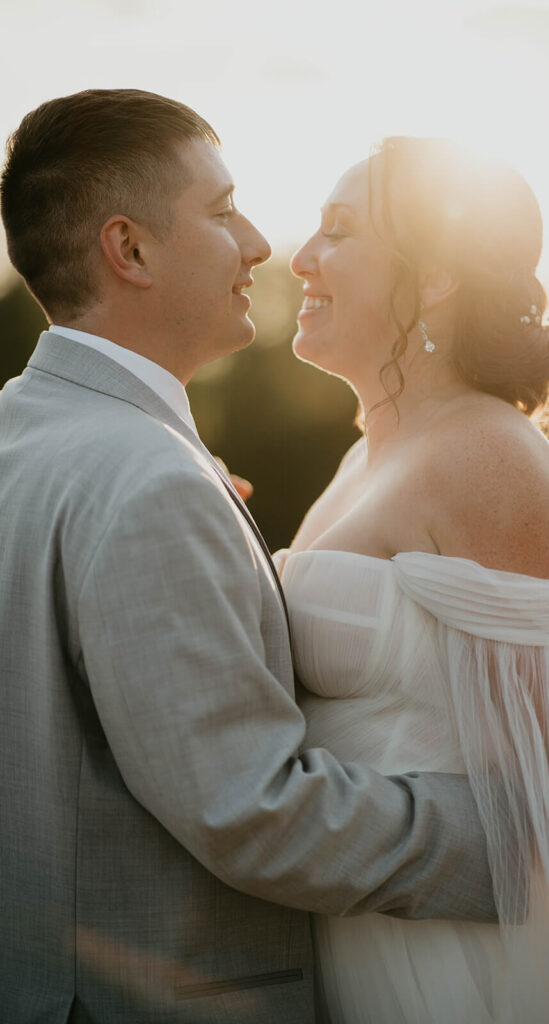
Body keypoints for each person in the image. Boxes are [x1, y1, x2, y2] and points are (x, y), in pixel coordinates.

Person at [0, 94, 500, 1024]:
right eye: (223, 210)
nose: (261, 243)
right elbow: (251, 811)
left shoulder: (25, 434)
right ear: (131, 250)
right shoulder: (145, 482)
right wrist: (508, 839)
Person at [283, 136, 549, 1023]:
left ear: (433, 281)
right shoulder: (367, 451)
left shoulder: (488, 456)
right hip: (363, 937)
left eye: (338, 231)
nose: (301, 256)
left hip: (463, 969)